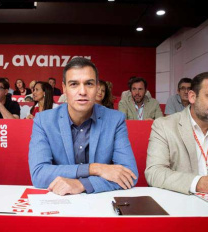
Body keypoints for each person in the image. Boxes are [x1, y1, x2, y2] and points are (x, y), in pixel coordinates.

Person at [29, 57, 138, 195]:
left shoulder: (115, 120)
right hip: (60, 204)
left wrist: (81, 184)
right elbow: (39, 174)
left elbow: (130, 174)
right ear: (64, 88)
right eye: (74, 84)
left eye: (89, 84)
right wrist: (95, 169)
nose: (82, 92)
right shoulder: (43, 121)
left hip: (101, 205)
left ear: (97, 87)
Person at [145, 72, 208, 195]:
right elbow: (154, 173)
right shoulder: (164, 126)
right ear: (192, 97)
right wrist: (198, 183)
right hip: (186, 202)